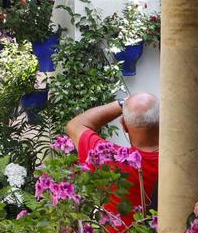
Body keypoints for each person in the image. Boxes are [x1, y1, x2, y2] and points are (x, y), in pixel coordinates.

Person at [64, 92, 160, 221]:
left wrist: (122, 103)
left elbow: (75, 125)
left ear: (124, 126)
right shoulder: (183, 159)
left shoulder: (108, 158)